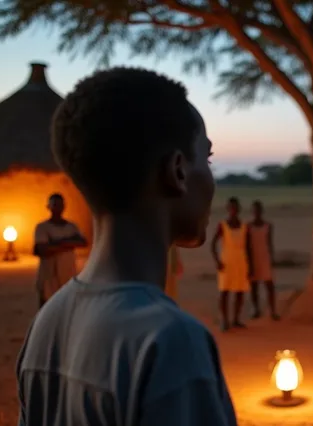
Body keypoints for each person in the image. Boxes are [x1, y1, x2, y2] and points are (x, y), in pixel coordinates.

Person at [16, 68, 236, 425]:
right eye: (206, 159)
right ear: (177, 171)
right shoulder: (170, 341)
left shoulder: (48, 322)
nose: (211, 180)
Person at [33, 193, 88, 307]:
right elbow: (43, 250)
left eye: (60, 205)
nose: (57, 207)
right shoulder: (42, 227)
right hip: (48, 276)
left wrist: (56, 243)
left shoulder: (71, 226)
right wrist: (69, 243)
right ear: (49, 207)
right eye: (54, 205)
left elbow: (83, 242)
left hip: (67, 275)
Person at [211, 197, 251, 331]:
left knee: (240, 291)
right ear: (228, 209)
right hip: (226, 261)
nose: (233, 211)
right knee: (225, 291)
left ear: (239, 209)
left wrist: (250, 265)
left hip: (241, 260)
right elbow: (213, 244)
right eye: (231, 208)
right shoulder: (222, 225)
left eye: (235, 208)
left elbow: (248, 247)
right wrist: (217, 261)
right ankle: (224, 320)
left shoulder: (244, 226)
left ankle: (236, 319)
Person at [247, 200, 278, 320]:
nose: (257, 213)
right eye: (255, 211)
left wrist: (272, 258)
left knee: (269, 285)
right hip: (254, 258)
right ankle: (256, 309)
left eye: (258, 210)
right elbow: (247, 245)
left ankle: (273, 311)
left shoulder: (268, 226)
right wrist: (249, 262)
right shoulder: (248, 227)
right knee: (254, 286)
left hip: (265, 258)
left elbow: (270, 243)